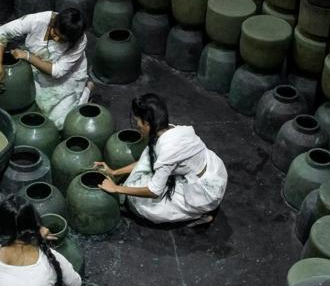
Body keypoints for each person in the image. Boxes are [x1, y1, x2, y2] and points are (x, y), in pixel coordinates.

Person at [92, 93, 228, 225]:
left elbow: (154, 191)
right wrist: (114, 172)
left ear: (147, 123)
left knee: (140, 204)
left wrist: (116, 188)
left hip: (205, 190)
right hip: (209, 168)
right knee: (136, 183)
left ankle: (203, 213)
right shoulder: (168, 129)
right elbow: (145, 162)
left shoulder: (168, 150)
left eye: (137, 121)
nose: (136, 125)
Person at [0, 9, 89, 129]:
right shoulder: (38, 20)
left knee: (60, 123)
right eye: (55, 34)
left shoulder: (80, 40)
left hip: (67, 74)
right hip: (37, 67)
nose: (57, 40)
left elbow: (58, 72)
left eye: (63, 39)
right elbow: (3, 32)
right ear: (53, 23)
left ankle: (87, 88)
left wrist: (28, 56)